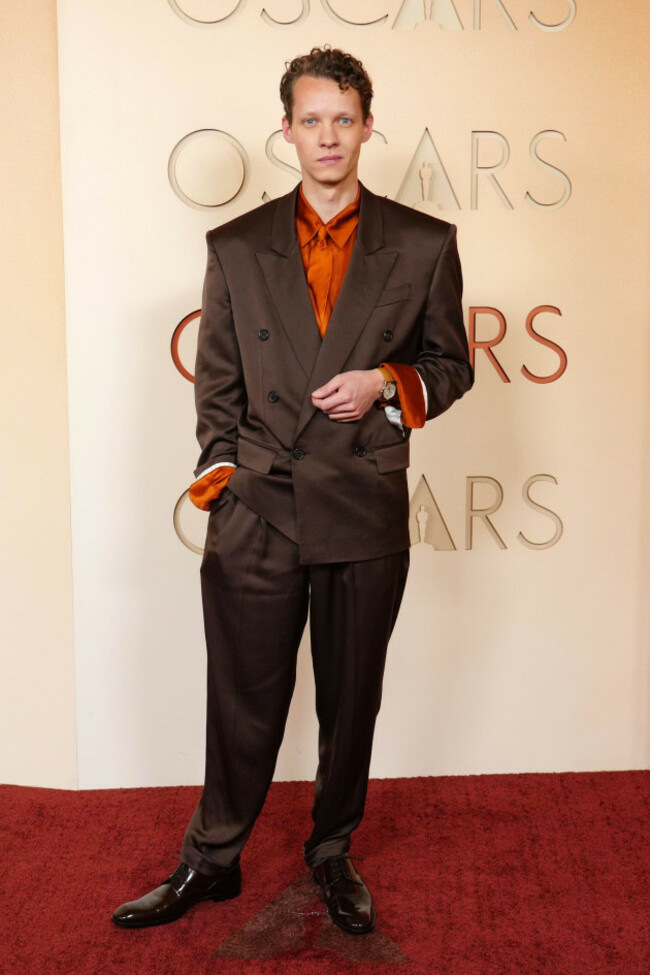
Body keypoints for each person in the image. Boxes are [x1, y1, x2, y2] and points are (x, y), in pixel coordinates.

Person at [112, 45, 473, 937]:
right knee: (241, 696)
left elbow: (451, 365)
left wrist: (385, 380)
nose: (327, 136)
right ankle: (212, 858)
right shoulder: (234, 245)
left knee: (354, 698)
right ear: (286, 131)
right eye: (310, 120)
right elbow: (218, 387)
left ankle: (331, 852)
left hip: (362, 505)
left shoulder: (425, 243)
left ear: (367, 127)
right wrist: (226, 486)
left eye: (343, 119)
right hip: (260, 506)